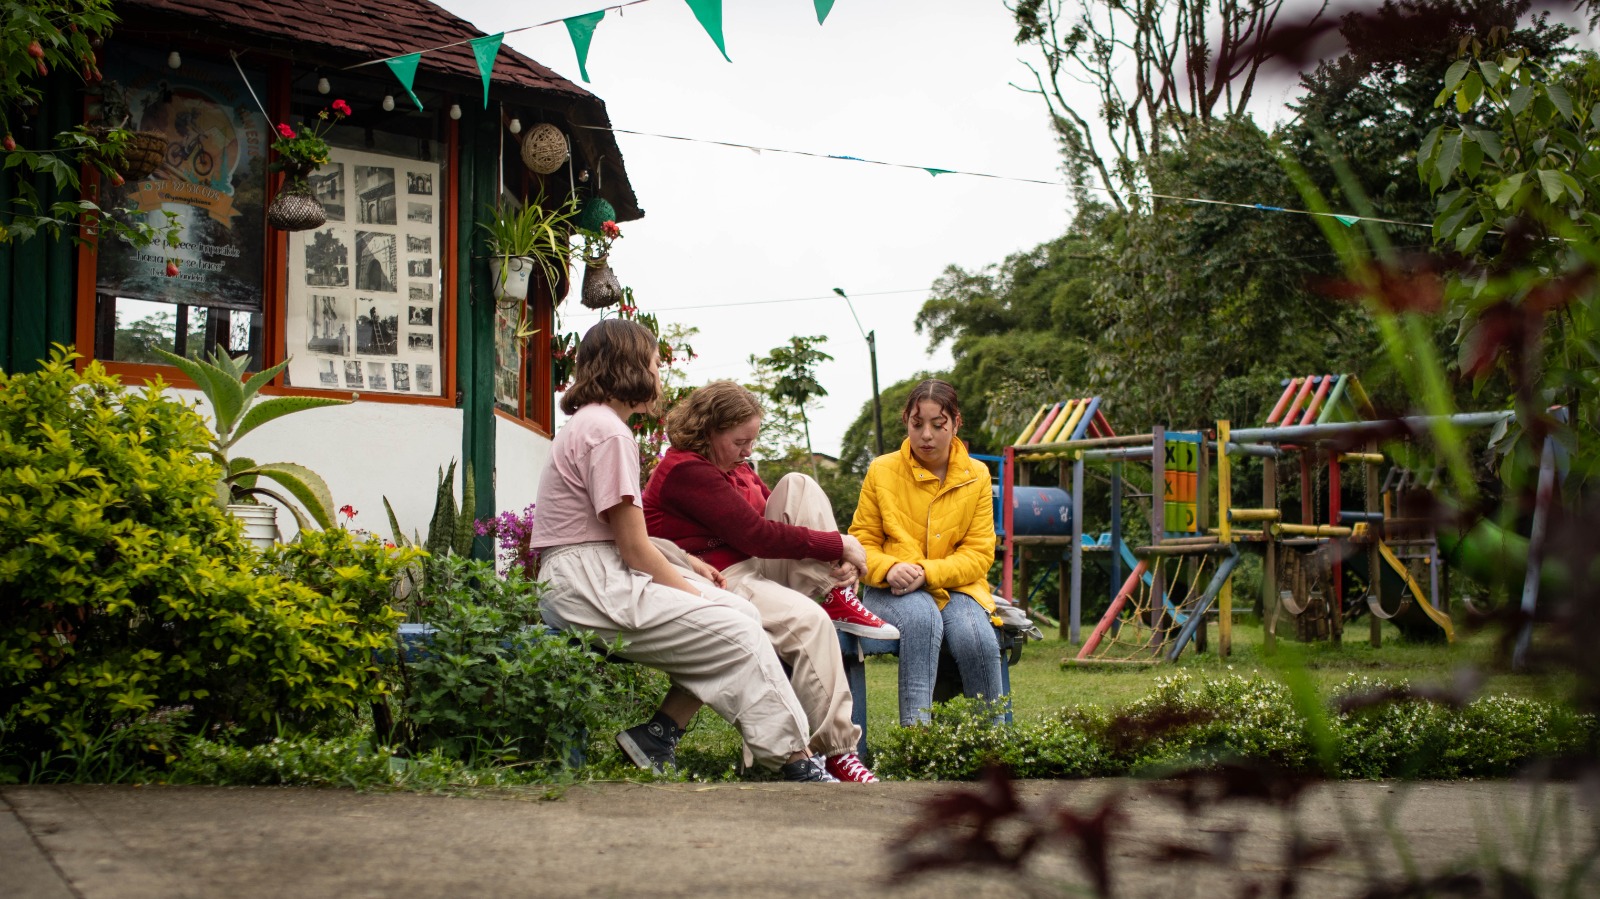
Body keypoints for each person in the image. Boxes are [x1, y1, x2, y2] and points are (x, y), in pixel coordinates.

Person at [526, 320, 836, 782]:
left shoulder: (592, 425)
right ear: (629, 367)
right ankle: (794, 760)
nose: (658, 375)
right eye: (654, 364)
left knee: (740, 615)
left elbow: (619, 533)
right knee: (737, 628)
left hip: (583, 571)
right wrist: (694, 597)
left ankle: (659, 734)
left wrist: (683, 560)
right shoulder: (609, 435)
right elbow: (632, 548)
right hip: (587, 582)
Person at [640, 380, 896, 783]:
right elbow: (755, 534)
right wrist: (838, 544)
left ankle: (834, 592)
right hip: (714, 578)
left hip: (754, 569)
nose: (748, 451)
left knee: (799, 484)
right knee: (810, 624)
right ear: (709, 430)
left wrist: (835, 555)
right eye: (740, 441)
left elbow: (774, 527)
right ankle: (837, 753)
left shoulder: (736, 468)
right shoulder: (686, 470)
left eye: (752, 441)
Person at [849, 378, 1004, 725]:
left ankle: (995, 745)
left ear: (956, 423)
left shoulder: (977, 475)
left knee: (975, 637)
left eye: (938, 425)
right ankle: (916, 740)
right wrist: (889, 568)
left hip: (957, 587)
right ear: (906, 419)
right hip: (891, 588)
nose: (926, 436)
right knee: (921, 618)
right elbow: (862, 542)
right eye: (917, 424)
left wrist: (927, 573)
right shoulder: (882, 470)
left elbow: (979, 553)